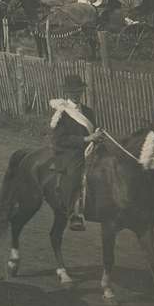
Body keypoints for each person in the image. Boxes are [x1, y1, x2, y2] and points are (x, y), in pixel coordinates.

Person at [50, 74, 103, 232]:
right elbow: (60, 139)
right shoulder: (62, 113)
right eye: (72, 91)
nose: (76, 94)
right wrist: (86, 138)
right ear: (67, 92)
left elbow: (95, 129)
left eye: (78, 90)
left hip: (90, 149)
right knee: (74, 175)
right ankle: (74, 213)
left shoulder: (88, 111)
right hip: (69, 152)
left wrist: (99, 136)